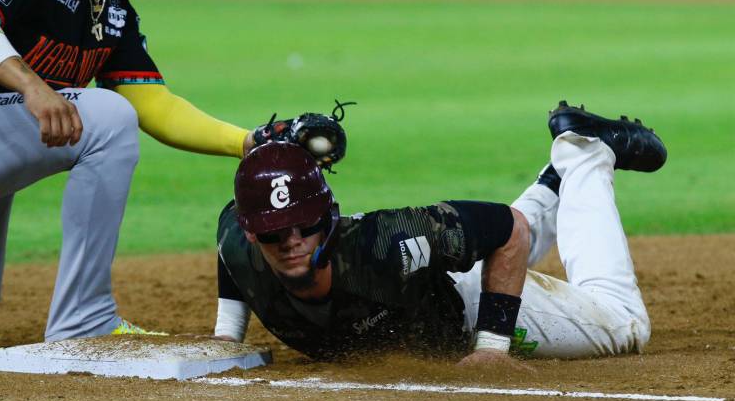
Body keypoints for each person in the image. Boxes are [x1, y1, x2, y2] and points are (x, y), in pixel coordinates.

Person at [213, 102, 667, 366]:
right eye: (273, 232)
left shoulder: (390, 244)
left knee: (625, 327)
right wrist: (226, 338)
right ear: (253, 235)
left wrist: (492, 346)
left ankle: (584, 150)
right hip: (421, 282)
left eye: (305, 225)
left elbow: (511, 230)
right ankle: (554, 180)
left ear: (327, 216)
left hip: (465, 303)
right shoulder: (240, 239)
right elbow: (229, 229)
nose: (290, 241)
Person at [0, 0, 264, 348]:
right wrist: (32, 85)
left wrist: (245, 142)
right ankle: (84, 320)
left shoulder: (112, 10)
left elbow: (154, 104)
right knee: (108, 117)